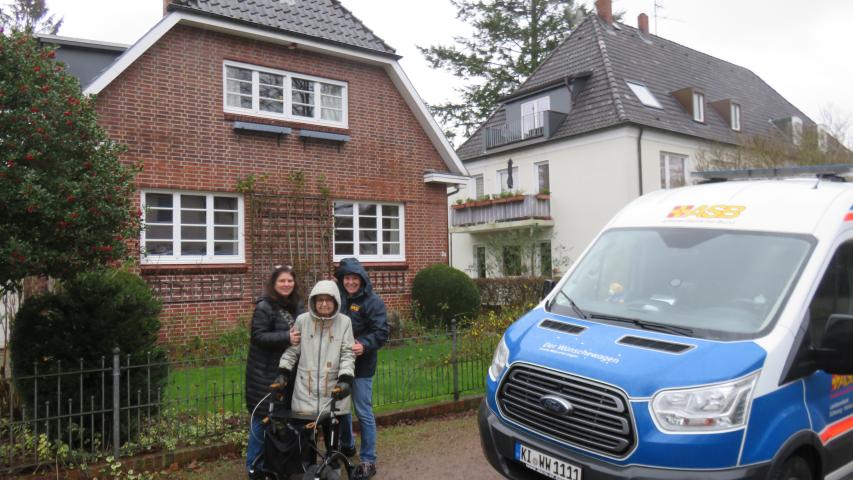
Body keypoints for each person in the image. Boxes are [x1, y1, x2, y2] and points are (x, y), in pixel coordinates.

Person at [277, 280, 355, 447]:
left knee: (332, 432)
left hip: (333, 388)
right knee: (306, 436)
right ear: (313, 301)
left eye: (329, 300)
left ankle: (332, 464)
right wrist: (283, 371)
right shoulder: (302, 321)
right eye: (320, 300)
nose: (324, 304)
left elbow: (348, 353)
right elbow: (292, 350)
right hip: (306, 389)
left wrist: (346, 378)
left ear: (336, 301)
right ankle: (309, 465)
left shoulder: (345, 322)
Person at [245, 265, 303, 479]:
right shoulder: (264, 307)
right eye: (282, 281)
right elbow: (258, 336)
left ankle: (275, 466)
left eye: (290, 281)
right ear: (273, 283)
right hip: (263, 375)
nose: (286, 284)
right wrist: (285, 337)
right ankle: (254, 469)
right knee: (262, 422)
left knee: (281, 421)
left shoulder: (297, 307)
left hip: (287, 373)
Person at [335, 258, 390, 480]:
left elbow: (381, 331)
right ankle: (347, 446)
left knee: (363, 411)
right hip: (339, 364)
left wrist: (364, 345)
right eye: (346, 278)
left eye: (354, 279)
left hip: (362, 365)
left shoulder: (372, 302)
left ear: (361, 280)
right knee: (341, 409)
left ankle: (368, 459)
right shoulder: (337, 299)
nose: (350, 282)